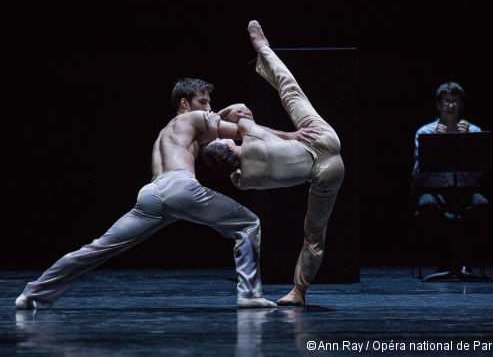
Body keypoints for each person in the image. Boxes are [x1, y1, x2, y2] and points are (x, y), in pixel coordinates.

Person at [16, 78, 277, 310]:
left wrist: (224, 113)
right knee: (248, 222)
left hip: (151, 194)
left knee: (98, 247)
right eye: (203, 101)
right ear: (185, 103)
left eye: (210, 102)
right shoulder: (194, 118)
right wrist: (292, 135)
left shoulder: (167, 131)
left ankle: (33, 292)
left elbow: (216, 124)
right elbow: (249, 134)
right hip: (180, 187)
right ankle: (250, 295)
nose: (208, 107)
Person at [201, 21, 345, 305]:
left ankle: (299, 292)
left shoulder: (242, 181)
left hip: (327, 175)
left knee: (314, 234)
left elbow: (231, 168)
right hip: (320, 139)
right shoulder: (250, 136)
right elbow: (237, 112)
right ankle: (262, 48)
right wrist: (221, 113)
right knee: (289, 91)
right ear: (230, 145)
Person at [412, 82, 489, 276]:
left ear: (461, 106)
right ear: (439, 105)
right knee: (426, 205)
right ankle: (445, 262)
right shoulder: (425, 133)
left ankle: (465, 263)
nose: (451, 106)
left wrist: (465, 144)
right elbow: (418, 176)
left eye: (455, 102)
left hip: (465, 191)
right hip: (436, 192)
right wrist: (435, 146)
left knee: (481, 204)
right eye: (446, 101)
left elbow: (479, 174)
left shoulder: (474, 131)